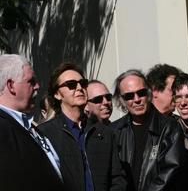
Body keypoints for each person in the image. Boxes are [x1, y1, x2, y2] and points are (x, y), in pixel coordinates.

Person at [38, 63, 126, 191]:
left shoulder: (103, 132)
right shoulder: (45, 133)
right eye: (71, 85)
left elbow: (118, 178)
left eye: (83, 83)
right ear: (57, 94)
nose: (79, 88)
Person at [111, 69, 186, 191]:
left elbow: (171, 170)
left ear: (149, 93)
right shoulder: (115, 130)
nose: (136, 99)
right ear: (122, 100)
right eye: (129, 96)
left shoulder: (169, 127)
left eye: (141, 93)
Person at [0, 54, 65, 190]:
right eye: (31, 81)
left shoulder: (28, 126)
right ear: (11, 85)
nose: (37, 86)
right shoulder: (3, 129)